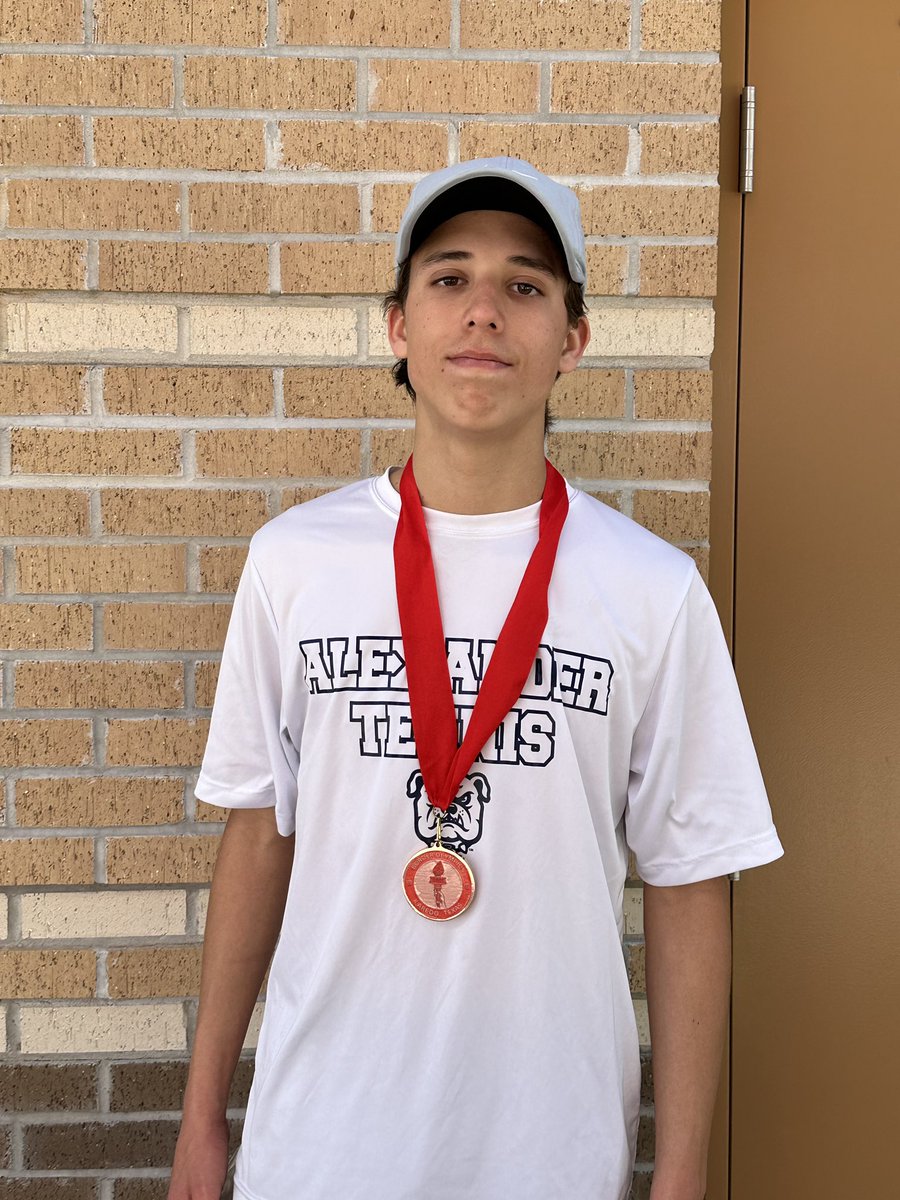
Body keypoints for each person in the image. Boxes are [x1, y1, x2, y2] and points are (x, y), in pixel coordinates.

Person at [168, 158, 783, 1200]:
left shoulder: (652, 591)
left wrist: (679, 1175)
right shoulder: (293, 563)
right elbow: (257, 835)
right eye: (449, 278)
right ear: (399, 326)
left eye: (527, 285)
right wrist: (199, 1117)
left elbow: (689, 882)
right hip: (320, 1146)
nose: (484, 310)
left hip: (549, 1152)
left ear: (573, 340)